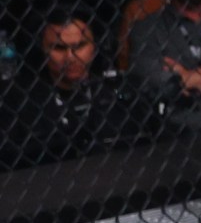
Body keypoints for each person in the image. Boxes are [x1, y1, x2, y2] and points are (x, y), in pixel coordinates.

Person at [5, 14, 153, 169]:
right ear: (42, 50)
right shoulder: (17, 101)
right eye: (59, 48)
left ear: (95, 47)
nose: (70, 57)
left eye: (79, 46)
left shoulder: (121, 91)